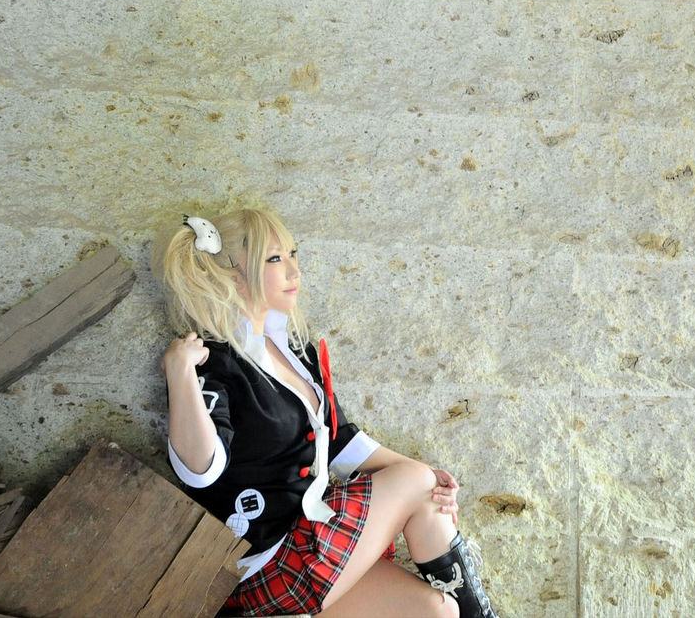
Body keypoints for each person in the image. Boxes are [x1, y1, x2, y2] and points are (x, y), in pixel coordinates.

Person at [153, 207, 498, 617]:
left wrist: (433, 481)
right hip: (267, 566)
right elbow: (200, 469)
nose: (294, 271)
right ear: (232, 275)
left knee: (438, 611)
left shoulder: (295, 351)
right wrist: (179, 370)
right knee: (416, 481)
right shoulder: (215, 360)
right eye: (275, 259)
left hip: (312, 543)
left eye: (293, 254)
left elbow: (339, 441)